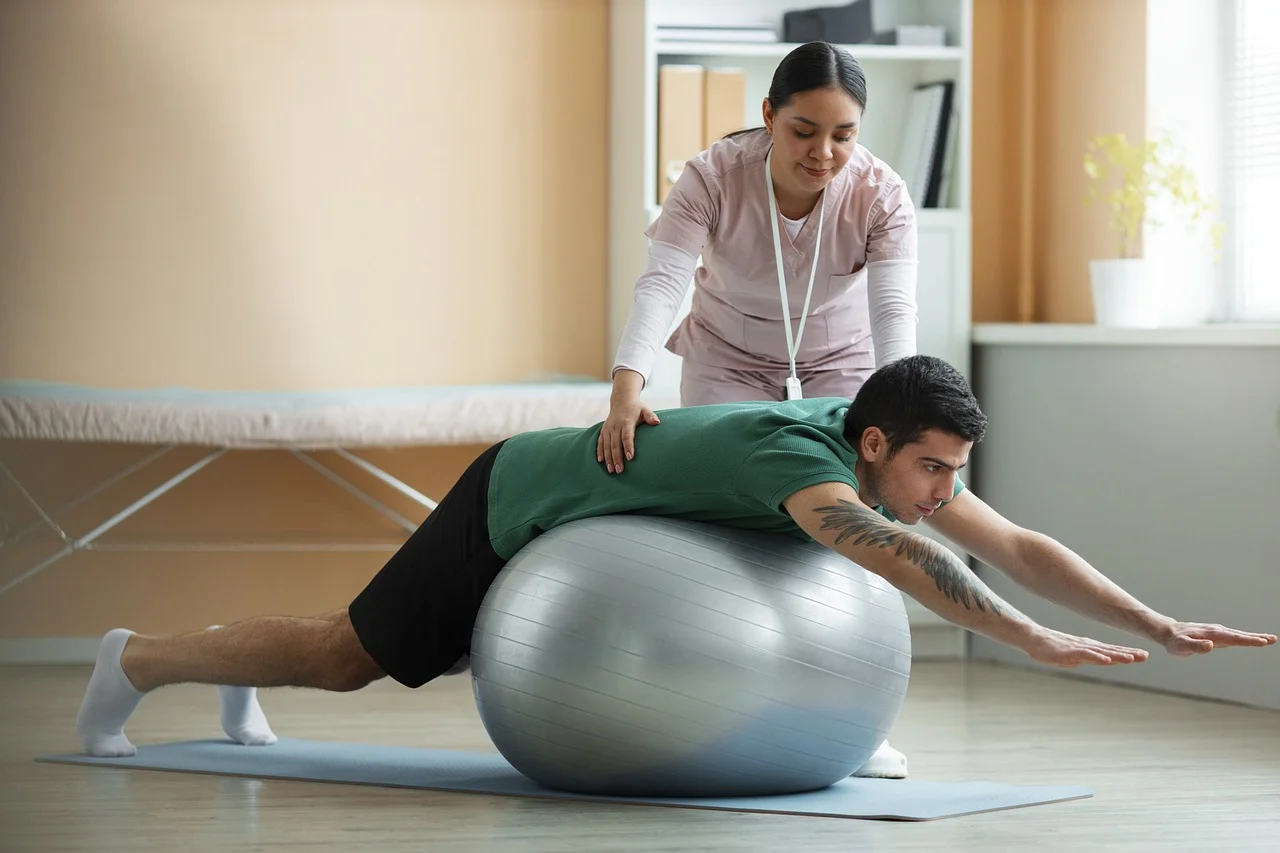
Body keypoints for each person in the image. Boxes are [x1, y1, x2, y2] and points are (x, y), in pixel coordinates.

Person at [75, 356, 1276, 781]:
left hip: (574, 518)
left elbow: (1012, 546)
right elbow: (907, 557)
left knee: (341, 650)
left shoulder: (876, 454)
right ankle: (136, 659)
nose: (941, 492)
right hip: (514, 497)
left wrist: (1157, 621)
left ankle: (228, 680)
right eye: (931, 469)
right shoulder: (806, 470)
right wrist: (1029, 640)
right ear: (872, 445)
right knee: (349, 659)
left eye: (951, 472)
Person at [599, 40, 920, 476]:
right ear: (769, 115)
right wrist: (626, 390)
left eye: (843, 136)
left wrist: (899, 404)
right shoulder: (711, 179)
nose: (823, 152)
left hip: (840, 359)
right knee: (727, 477)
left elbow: (893, 310)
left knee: (848, 476)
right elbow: (663, 285)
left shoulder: (882, 194)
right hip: (727, 360)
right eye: (803, 132)